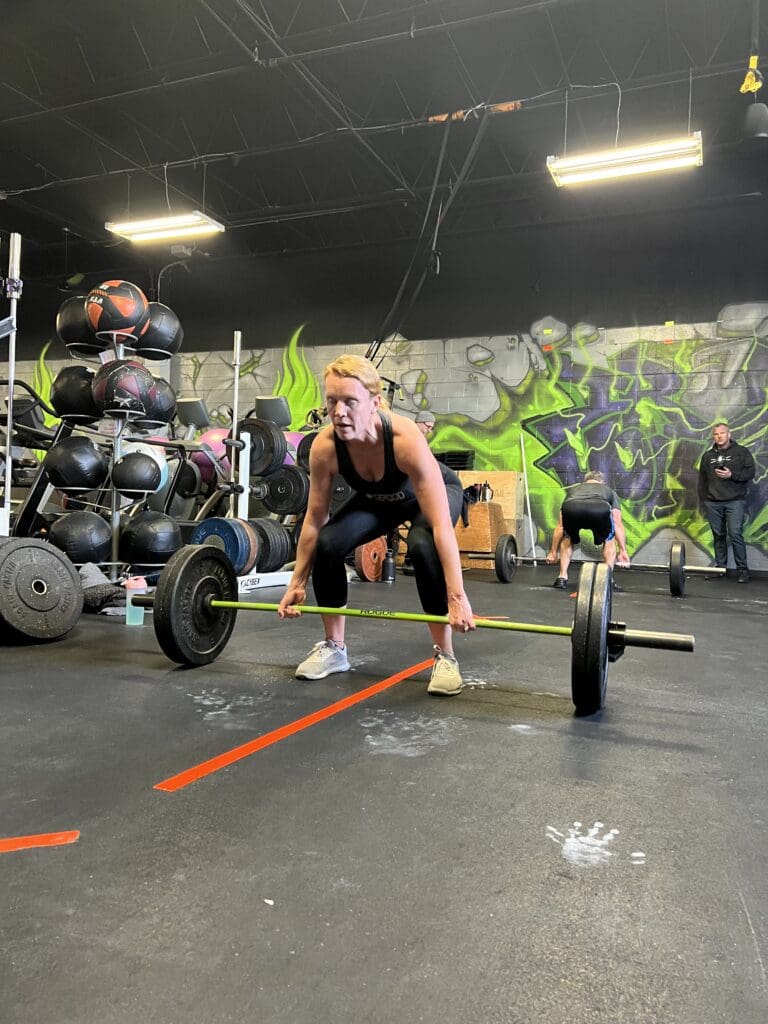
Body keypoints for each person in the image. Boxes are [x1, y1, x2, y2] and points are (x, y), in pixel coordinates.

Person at [277, 355, 475, 695]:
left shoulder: (404, 438)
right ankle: (335, 648)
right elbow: (314, 519)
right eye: (332, 401)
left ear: (375, 402)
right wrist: (298, 581)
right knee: (328, 542)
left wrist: (457, 597)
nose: (338, 412)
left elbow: (442, 525)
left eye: (350, 402)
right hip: (377, 498)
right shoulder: (326, 447)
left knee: (423, 546)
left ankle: (446, 657)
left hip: (429, 496)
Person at [547, 470, 630, 589]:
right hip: (599, 510)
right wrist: (623, 550)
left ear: (585, 481)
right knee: (609, 539)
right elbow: (617, 522)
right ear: (601, 482)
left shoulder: (573, 491)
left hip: (572, 508)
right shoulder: (608, 490)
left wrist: (553, 552)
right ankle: (608, 579)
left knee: (568, 537)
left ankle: (562, 577)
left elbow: (560, 525)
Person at [698, 422, 755, 583]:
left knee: (735, 534)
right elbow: (702, 480)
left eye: (722, 433)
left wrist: (732, 475)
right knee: (718, 535)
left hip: (734, 502)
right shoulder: (707, 456)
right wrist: (705, 499)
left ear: (729, 434)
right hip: (713, 503)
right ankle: (720, 568)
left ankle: (743, 570)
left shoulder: (741, 452)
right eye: (716, 434)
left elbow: (750, 473)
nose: (719, 436)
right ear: (713, 436)